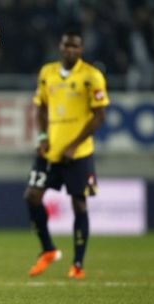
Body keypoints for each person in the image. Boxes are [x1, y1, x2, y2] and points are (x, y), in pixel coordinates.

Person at [24, 30, 109, 279]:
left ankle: (78, 265)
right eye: (67, 46)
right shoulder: (47, 73)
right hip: (49, 151)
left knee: (79, 204)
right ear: (61, 48)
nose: (71, 50)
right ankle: (48, 250)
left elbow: (99, 115)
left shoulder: (92, 76)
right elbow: (40, 108)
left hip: (78, 153)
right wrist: (41, 138)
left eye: (76, 47)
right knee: (32, 197)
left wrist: (74, 145)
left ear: (81, 49)